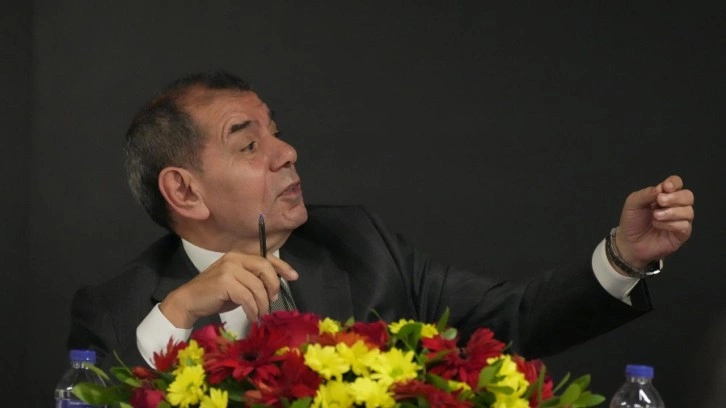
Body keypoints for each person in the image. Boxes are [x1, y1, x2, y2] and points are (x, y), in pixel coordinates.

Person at [67, 71, 695, 369]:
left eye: (277, 132)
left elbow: (513, 320)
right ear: (184, 191)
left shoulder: (357, 244)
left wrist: (623, 257)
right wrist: (178, 314)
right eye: (249, 143)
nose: (287, 152)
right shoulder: (117, 311)